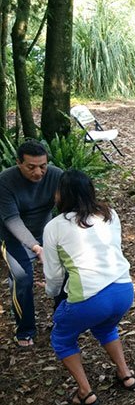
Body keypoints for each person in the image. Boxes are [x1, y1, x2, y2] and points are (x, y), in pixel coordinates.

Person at [43, 170, 135, 405]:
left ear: (62, 194)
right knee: (105, 327)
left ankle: (85, 392)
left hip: (90, 298)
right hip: (124, 290)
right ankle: (125, 374)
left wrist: (53, 294)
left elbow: (53, 275)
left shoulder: (55, 226)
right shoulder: (109, 214)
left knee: (62, 339)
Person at [0, 140, 62, 348]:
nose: (38, 172)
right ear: (19, 163)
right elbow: (11, 220)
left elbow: (69, 205)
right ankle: (25, 329)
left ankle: (62, 322)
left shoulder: (56, 175)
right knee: (22, 279)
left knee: (64, 273)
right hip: (13, 237)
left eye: (42, 166)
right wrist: (35, 247)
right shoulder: (5, 181)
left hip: (46, 232)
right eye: (31, 167)